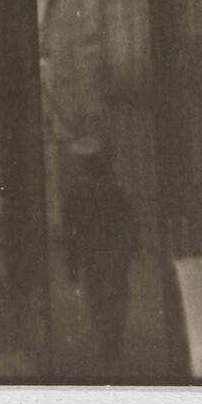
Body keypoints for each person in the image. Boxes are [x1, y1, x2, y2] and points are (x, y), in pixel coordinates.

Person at [62, 144, 140, 371]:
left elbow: (70, 232)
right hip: (115, 254)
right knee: (117, 296)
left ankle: (106, 341)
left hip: (92, 255)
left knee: (97, 298)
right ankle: (114, 340)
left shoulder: (77, 195)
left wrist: (72, 264)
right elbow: (131, 224)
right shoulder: (116, 191)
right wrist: (129, 250)